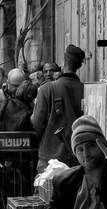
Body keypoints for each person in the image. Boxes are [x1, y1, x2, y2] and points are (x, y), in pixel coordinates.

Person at [32, 44, 86, 172]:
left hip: (50, 156)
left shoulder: (46, 89)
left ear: (64, 61)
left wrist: (48, 138)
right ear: (79, 65)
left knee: (48, 189)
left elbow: (37, 123)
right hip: (78, 154)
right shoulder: (86, 90)